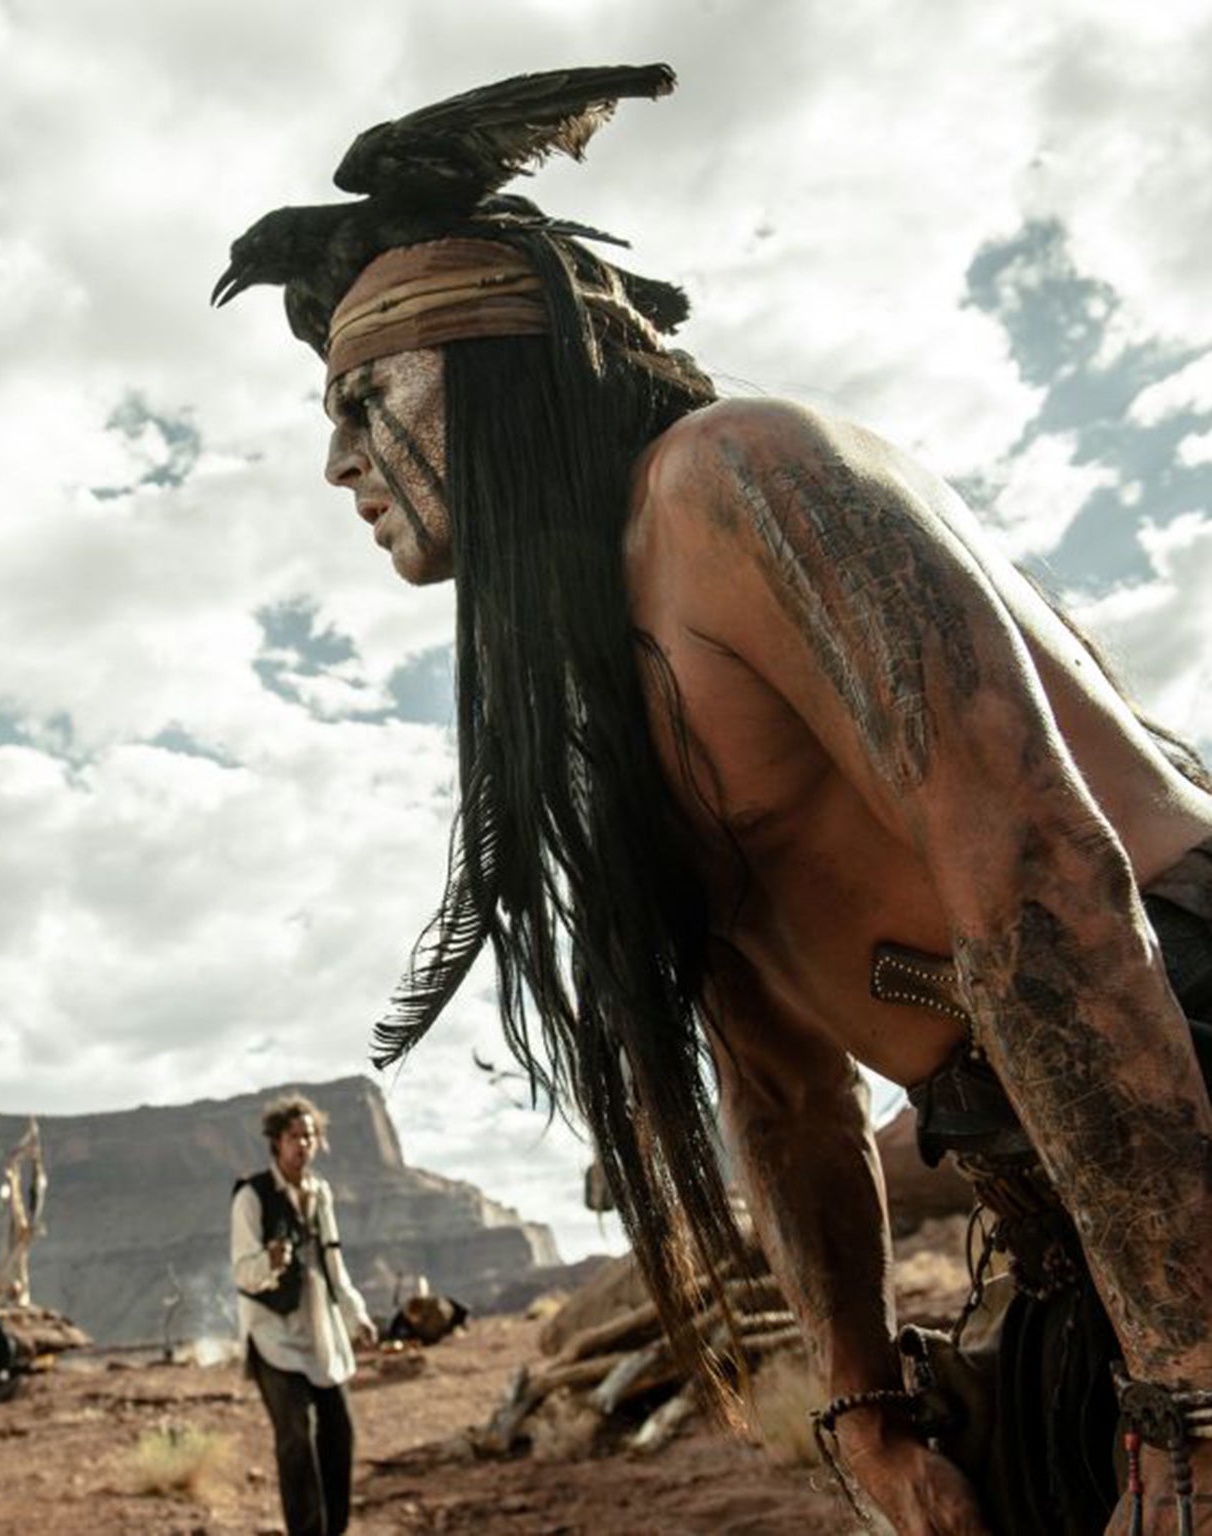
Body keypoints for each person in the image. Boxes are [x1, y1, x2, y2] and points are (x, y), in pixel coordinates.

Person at [214, 67, 1212, 1536]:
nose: (336, 459)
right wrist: (866, 1416)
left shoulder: (738, 481)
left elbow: (1044, 875)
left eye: (368, 394)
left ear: (496, 365)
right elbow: (785, 1092)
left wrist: (1189, 1397)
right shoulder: (597, 697)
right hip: (1057, 1195)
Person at [231, 1093, 378, 1536]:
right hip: (274, 1337)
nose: (303, 1145)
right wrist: (270, 1263)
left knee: (339, 1435)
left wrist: (356, 1315)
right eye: (294, 1136)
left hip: (321, 1335)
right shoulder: (252, 1196)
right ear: (276, 1142)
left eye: (310, 1136)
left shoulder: (320, 1194)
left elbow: (333, 1263)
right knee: (296, 1439)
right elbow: (243, 1271)